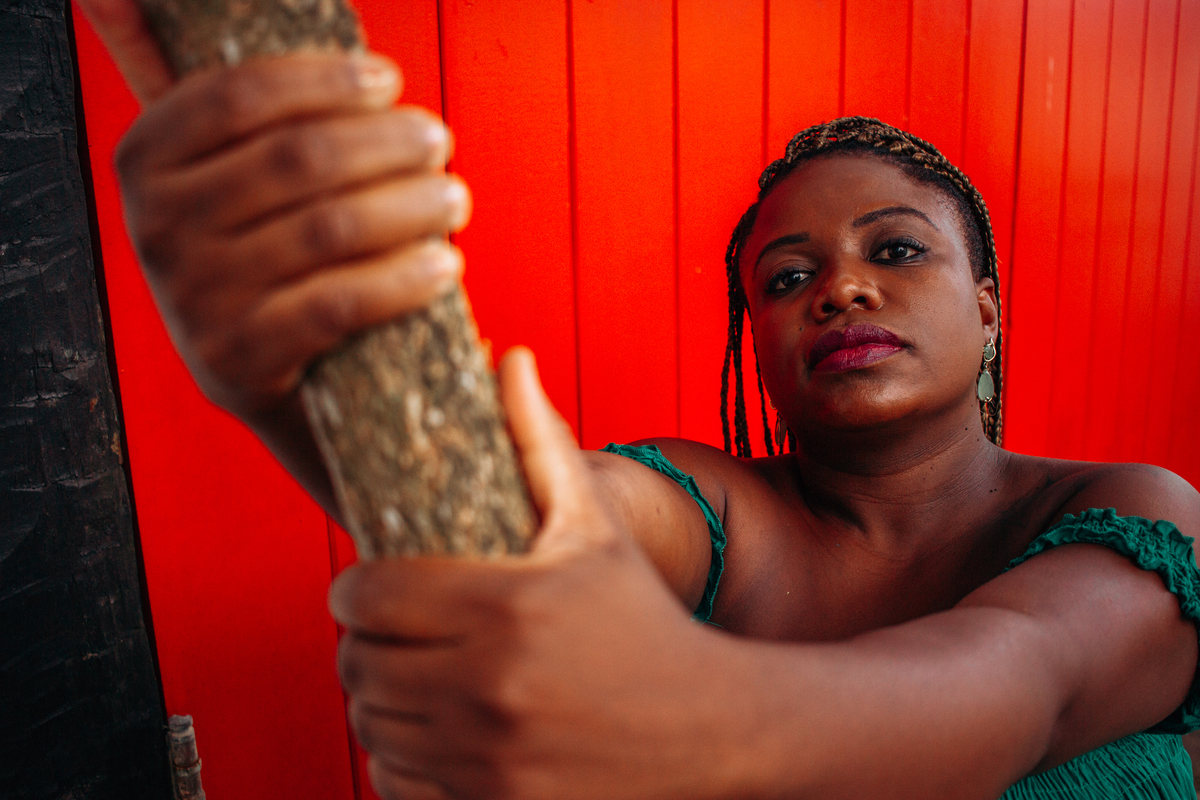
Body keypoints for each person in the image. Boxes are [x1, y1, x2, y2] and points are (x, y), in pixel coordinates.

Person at [79, 4, 1200, 798]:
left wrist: (692, 716)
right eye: (788, 277)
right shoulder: (725, 512)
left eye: (896, 249)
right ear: (756, 345)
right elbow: (526, 516)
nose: (843, 286)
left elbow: (1027, 684)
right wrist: (309, 369)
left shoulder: (1128, 508)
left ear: (990, 309)